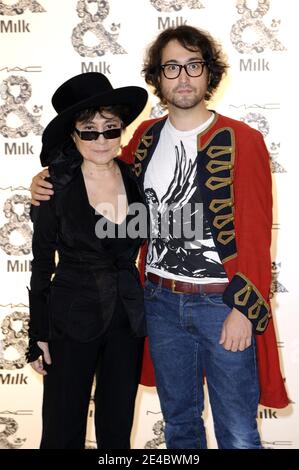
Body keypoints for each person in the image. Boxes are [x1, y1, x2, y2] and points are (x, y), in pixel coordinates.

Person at [30, 26, 288, 449]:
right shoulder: (145, 139)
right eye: (172, 67)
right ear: (158, 77)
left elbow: (257, 232)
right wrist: (44, 179)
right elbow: (96, 166)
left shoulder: (244, 140)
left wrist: (245, 307)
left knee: (239, 432)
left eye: (193, 65)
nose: (183, 77)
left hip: (220, 303)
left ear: (209, 74)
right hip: (159, 303)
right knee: (179, 424)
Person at [27, 72, 148, 449]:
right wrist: (38, 334)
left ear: (122, 132)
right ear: (74, 135)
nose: (101, 140)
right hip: (69, 321)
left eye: (110, 129)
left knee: (117, 432)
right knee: (62, 432)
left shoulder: (136, 179)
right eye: (89, 130)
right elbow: (42, 263)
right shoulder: (54, 185)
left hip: (127, 323)